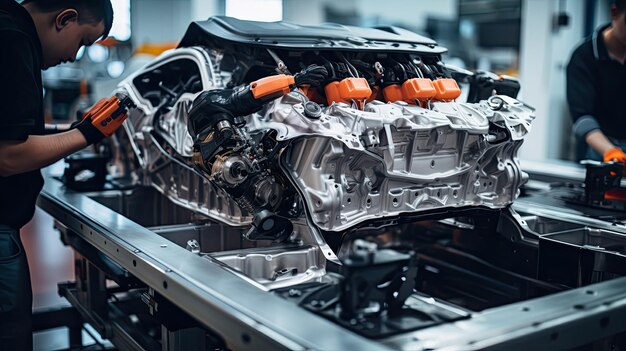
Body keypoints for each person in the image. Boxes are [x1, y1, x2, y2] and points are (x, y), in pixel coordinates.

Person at [0, 0, 127, 349]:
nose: (75, 56)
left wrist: (71, 129)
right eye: (83, 41)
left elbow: (13, 131)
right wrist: (88, 135)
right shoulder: (11, 42)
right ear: (65, 19)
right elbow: (8, 156)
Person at [567, 0, 626, 164]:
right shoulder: (584, 57)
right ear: (614, 13)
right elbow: (582, 118)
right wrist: (611, 151)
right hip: (598, 149)